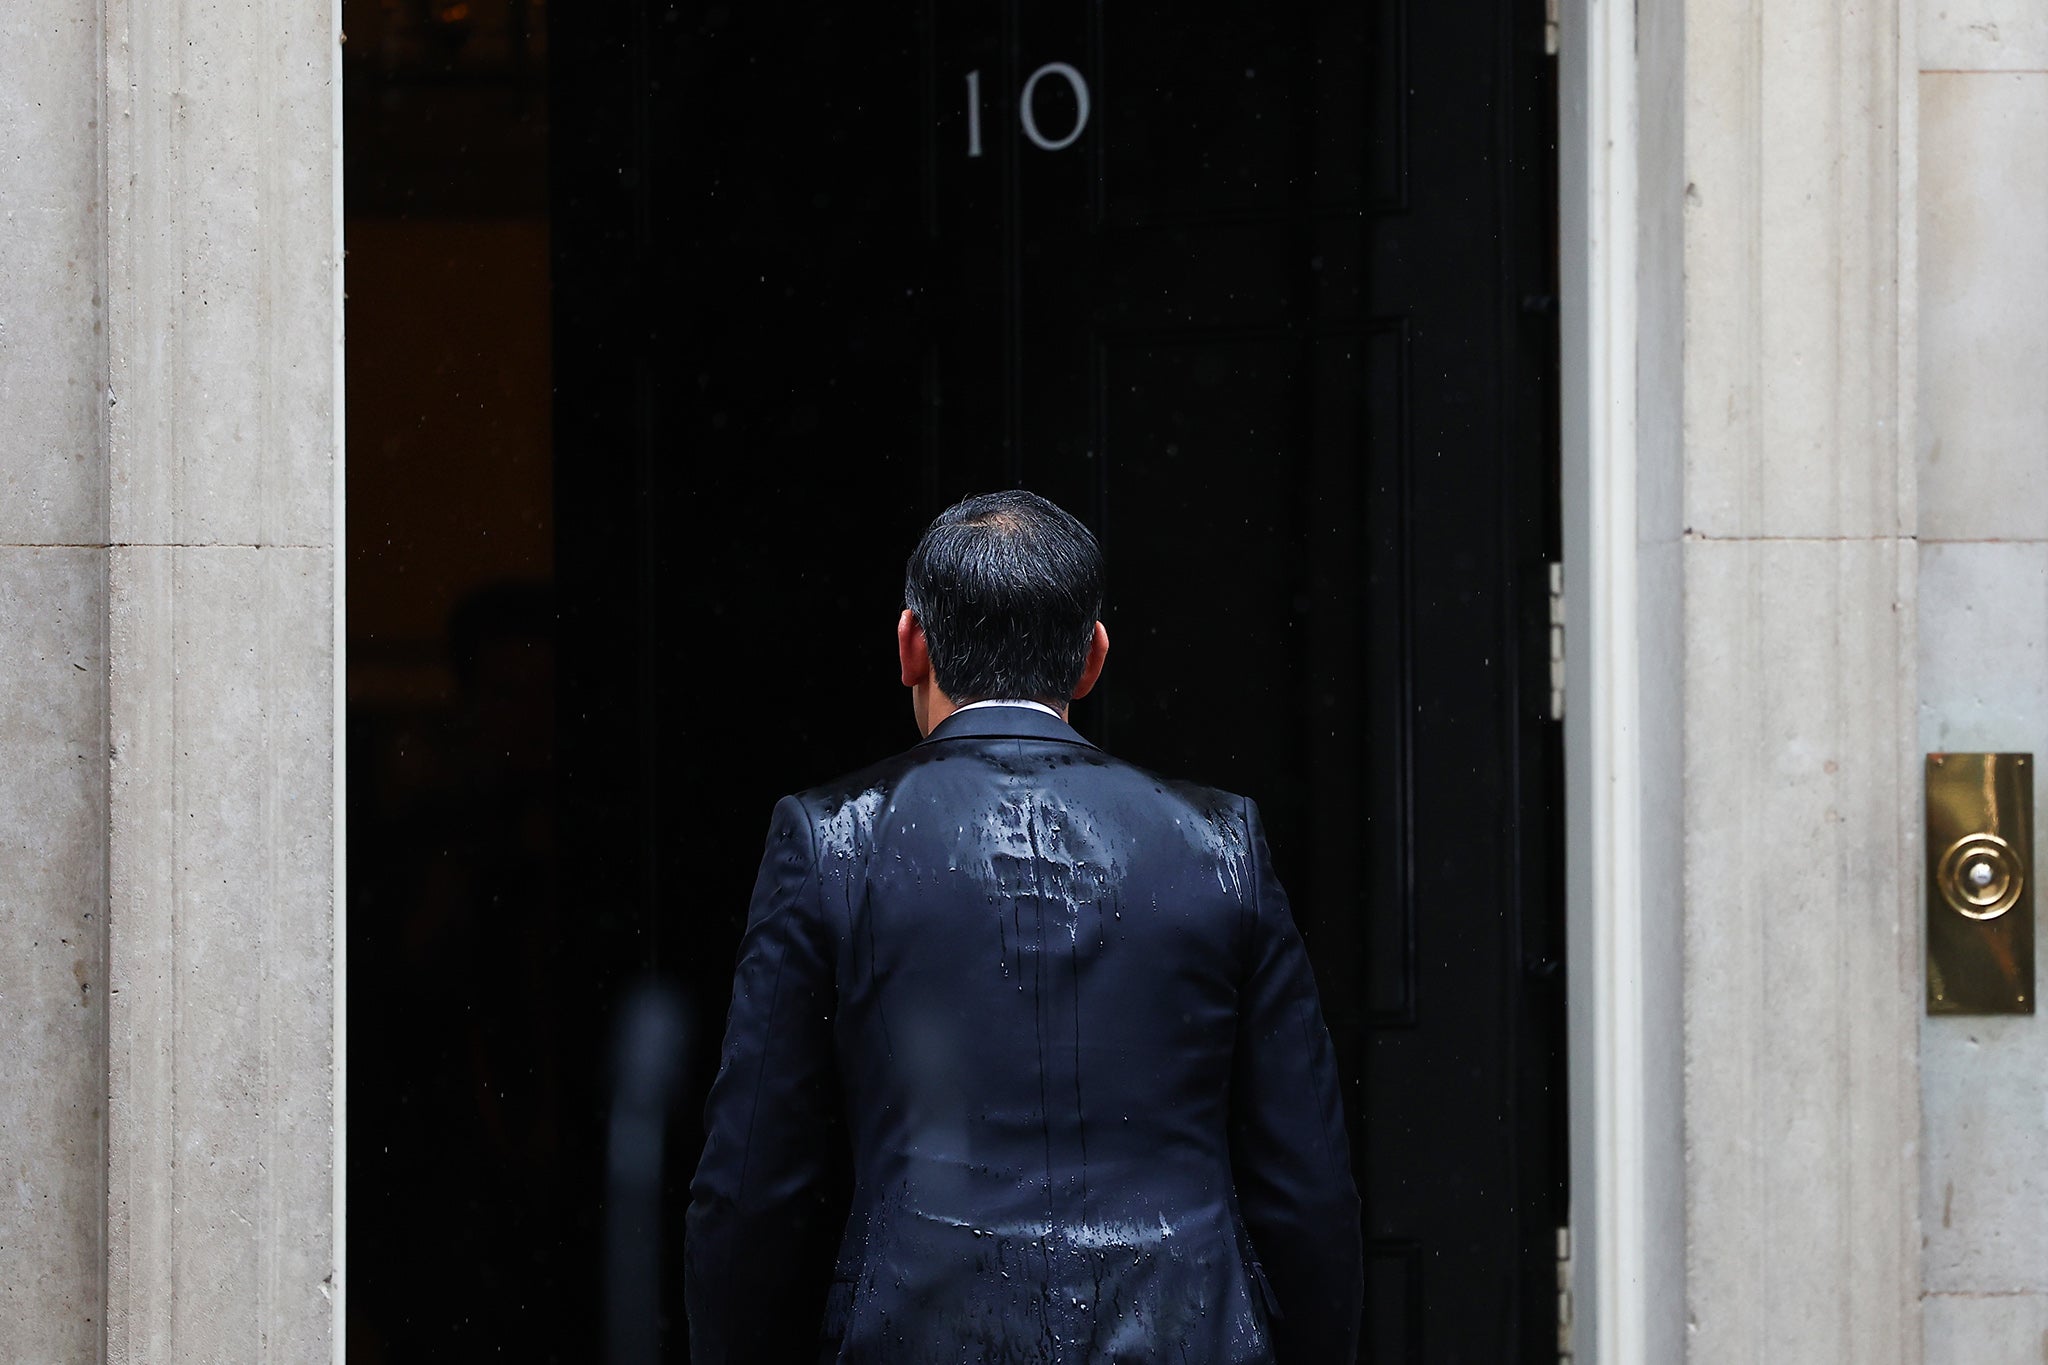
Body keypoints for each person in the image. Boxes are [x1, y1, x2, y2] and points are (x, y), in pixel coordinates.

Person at [685, 490, 1362, 1363]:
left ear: (910, 645)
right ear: (1091, 659)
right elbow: (1307, 1192)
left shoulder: (829, 841)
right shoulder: (1219, 841)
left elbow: (752, 1191)